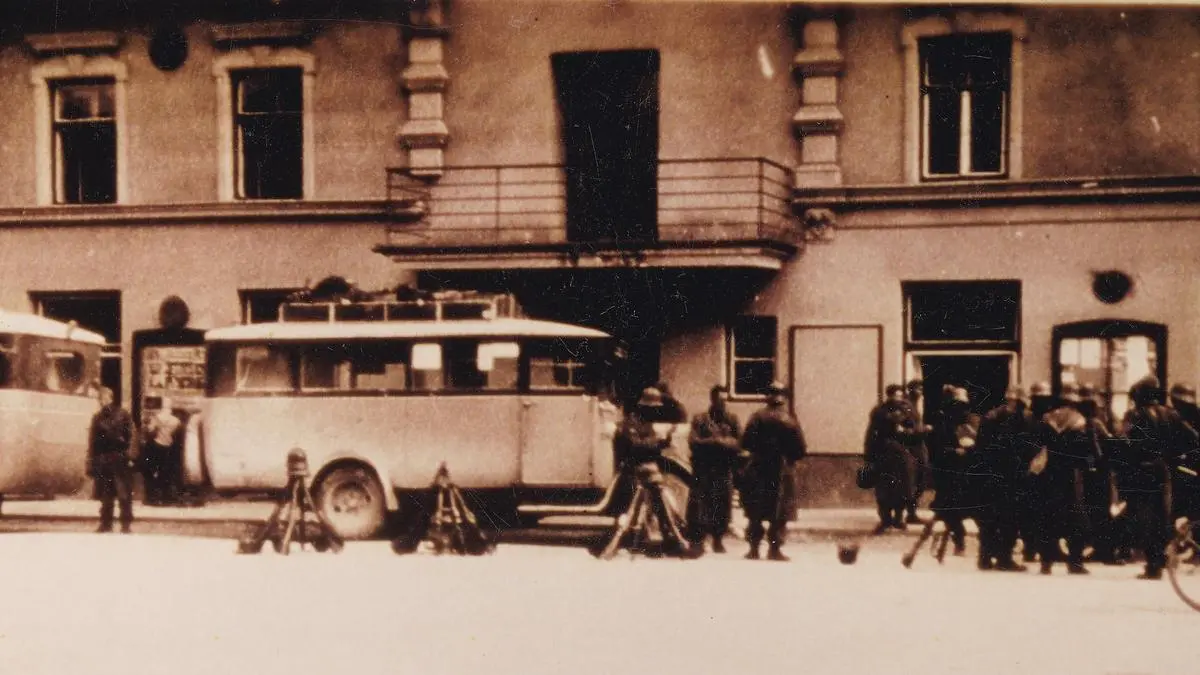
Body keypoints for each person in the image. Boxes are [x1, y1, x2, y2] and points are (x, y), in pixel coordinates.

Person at [1121, 376, 1197, 580]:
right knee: (1162, 516)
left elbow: (1125, 443)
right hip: (1163, 469)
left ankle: (1152, 565)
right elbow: (1192, 439)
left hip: (1142, 470)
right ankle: (1159, 561)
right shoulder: (1170, 414)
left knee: (1144, 516)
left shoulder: (1135, 415)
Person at [606, 387, 695, 558]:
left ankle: (667, 535)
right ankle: (627, 540)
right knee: (628, 511)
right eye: (652, 409)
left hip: (643, 470)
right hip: (629, 473)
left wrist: (663, 441)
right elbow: (638, 447)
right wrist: (660, 441)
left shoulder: (644, 423)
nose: (655, 413)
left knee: (660, 500)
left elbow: (649, 449)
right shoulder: (629, 425)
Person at [1031, 383, 1096, 575]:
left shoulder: (1046, 419)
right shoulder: (1081, 421)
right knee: (1076, 519)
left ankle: (1046, 562)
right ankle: (1074, 562)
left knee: (1048, 517)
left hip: (1049, 474)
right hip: (1072, 475)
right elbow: (1090, 451)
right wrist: (1091, 468)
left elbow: (1035, 446)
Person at [739, 381, 807, 561]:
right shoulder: (789, 419)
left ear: (768, 396)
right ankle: (774, 549)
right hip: (782, 470)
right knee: (779, 512)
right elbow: (800, 448)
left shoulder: (757, 417)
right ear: (783, 397)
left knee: (755, 511)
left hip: (759, 468)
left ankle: (753, 549)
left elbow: (746, 442)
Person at [972, 386, 1034, 571]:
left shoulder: (989, 416)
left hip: (988, 473)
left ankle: (984, 557)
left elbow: (980, 446)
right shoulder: (1021, 418)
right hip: (1011, 474)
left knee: (989, 517)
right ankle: (1004, 558)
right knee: (1010, 517)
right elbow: (1024, 447)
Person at [685, 385, 741, 553]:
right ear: (712, 399)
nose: (722, 403)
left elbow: (738, 444)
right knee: (699, 505)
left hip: (723, 470)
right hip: (703, 470)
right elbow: (693, 442)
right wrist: (718, 442)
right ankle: (698, 541)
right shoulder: (700, 419)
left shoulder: (732, 419)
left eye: (725, 399)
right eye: (719, 399)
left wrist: (715, 442)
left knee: (722, 505)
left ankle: (718, 539)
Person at [929, 386, 975, 557]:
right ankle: (956, 541)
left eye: (964, 407)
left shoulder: (967, 426)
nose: (962, 411)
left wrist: (971, 449)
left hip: (963, 474)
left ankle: (949, 539)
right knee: (949, 511)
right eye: (958, 406)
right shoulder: (942, 425)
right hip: (946, 474)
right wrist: (955, 452)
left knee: (959, 510)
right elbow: (936, 450)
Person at [863, 385, 916, 534]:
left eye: (900, 396)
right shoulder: (879, 412)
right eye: (895, 396)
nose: (898, 399)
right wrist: (869, 454)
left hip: (902, 457)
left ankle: (899, 519)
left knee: (902, 489)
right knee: (883, 490)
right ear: (889, 396)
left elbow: (914, 430)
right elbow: (871, 433)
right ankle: (885, 520)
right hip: (883, 455)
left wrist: (906, 431)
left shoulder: (907, 411)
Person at [88, 386, 136, 534]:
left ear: (109, 398)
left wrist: (130, 456)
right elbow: (93, 441)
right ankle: (108, 523)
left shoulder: (121, 415)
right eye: (100, 399)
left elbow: (131, 436)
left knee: (121, 494)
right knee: (108, 494)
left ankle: (122, 524)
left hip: (118, 457)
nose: (102, 402)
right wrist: (92, 460)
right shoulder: (98, 417)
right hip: (107, 458)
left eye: (103, 398)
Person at [142, 399, 182, 505]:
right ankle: (166, 498)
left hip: (156, 446)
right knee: (166, 473)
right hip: (169, 447)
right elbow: (177, 433)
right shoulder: (176, 421)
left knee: (153, 471)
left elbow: (150, 430)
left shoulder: (157, 418)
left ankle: (152, 498)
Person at [902, 379, 932, 524]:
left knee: (920, 478)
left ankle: (911, 512)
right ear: (911, 389)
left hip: (919, 445)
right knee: (912, 480)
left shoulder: (914, 405)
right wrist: (922, 429)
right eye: (917, 388)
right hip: (911, 447)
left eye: (921, 388)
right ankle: (910, 513)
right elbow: (903, 428)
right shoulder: (906, 406)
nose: (920, 391)